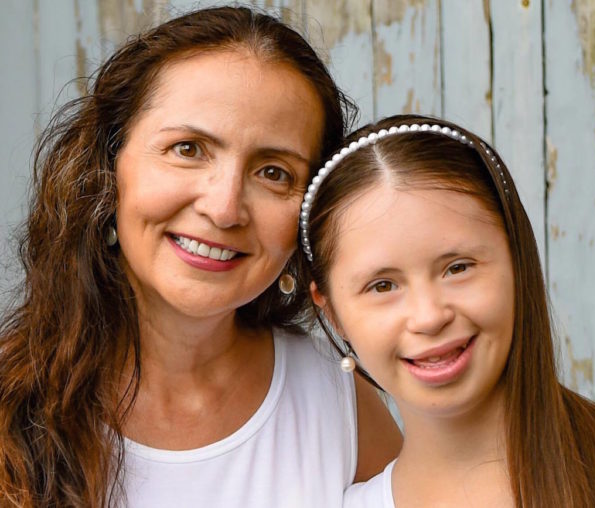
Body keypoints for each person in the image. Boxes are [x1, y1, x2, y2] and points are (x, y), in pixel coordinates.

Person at [0, 6, 401, 507]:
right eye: (188, 149)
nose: (224, 207)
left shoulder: (341, 405)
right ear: (108, 168)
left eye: (274, 172)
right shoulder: (10, 402)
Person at [302, 114, 595, 507]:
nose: (429, 316)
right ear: (333, 310)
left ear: (517, 260)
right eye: (382, 286)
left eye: (458, 267)